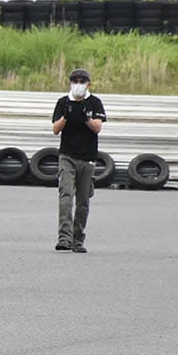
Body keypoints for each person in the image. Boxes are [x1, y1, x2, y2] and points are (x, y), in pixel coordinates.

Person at [51, 68, 107, 253]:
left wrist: (86, 118)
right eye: (75, 80)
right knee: (65, 195)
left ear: (88, 83)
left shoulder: (95, 102)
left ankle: (78, 239)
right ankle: (64, 238)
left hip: (88, 157)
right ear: (70, 83)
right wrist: (66, 116)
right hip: (67, 155)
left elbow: (97, 128)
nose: (78, 84)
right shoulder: (63, 102)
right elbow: (55, 129)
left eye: (82, 81)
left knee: (83, 200)